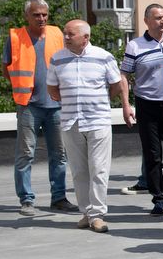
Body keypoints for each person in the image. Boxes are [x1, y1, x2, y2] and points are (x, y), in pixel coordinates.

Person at [45, 20, 135, 233]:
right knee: (79, 171)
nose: (66, 37)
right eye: (65, 33)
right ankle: (86, 212)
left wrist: (102, 101)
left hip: (98, 120)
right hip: (70, 121)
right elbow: (52, 88)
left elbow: (116, 84)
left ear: (85, 37)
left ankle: (97, 214)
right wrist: (72, 99)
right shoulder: (57, 58)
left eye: (71, 34)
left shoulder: (103, 56)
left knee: (98, 169)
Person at [3, 0, 76, 216]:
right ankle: (26, 200)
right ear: (27, 16)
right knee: (25, 154)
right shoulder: (15, 37)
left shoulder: (57, 34)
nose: (41, 18)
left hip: (56, 105)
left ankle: (59, 198)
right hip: (29, 105)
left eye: (44, 14)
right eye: (36, 15)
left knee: (59, 154)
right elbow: (6, 69)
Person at [121, 4, 163, 217]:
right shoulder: (135, 46)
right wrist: (126, 105)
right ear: (147, 21)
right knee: (153, 155)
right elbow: (124, 75)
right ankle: (158, 199)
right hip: (147, 105)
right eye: (158, 18)